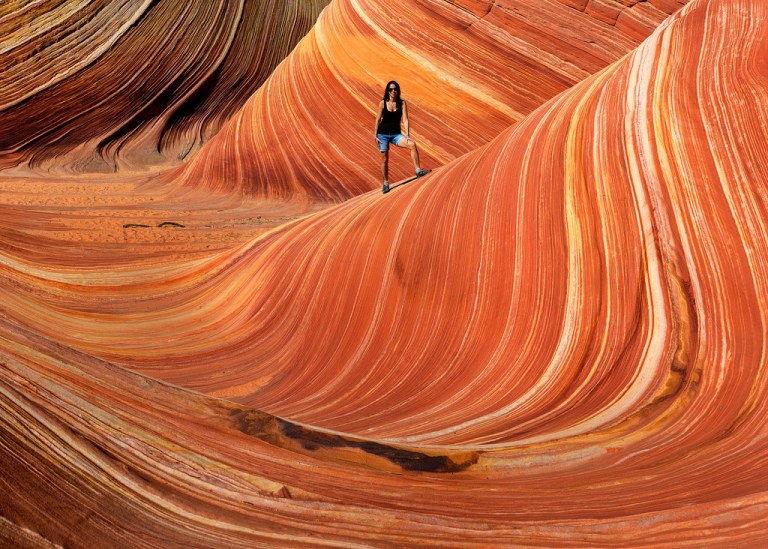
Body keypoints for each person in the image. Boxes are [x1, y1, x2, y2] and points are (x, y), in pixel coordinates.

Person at [374, 80, 428, 193]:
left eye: (395, 89)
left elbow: (405, 119)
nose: (393, 91)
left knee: (412, 144)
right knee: (384, 160)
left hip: (396, 135)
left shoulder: (402, 103)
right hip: (382, 134)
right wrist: (375, 135)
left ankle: (418, 170)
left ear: (398, 90)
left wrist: (407, 135)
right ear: (388, 91)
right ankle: (385, 183)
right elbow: (378, 119)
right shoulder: (383, 103)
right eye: (391, 89)